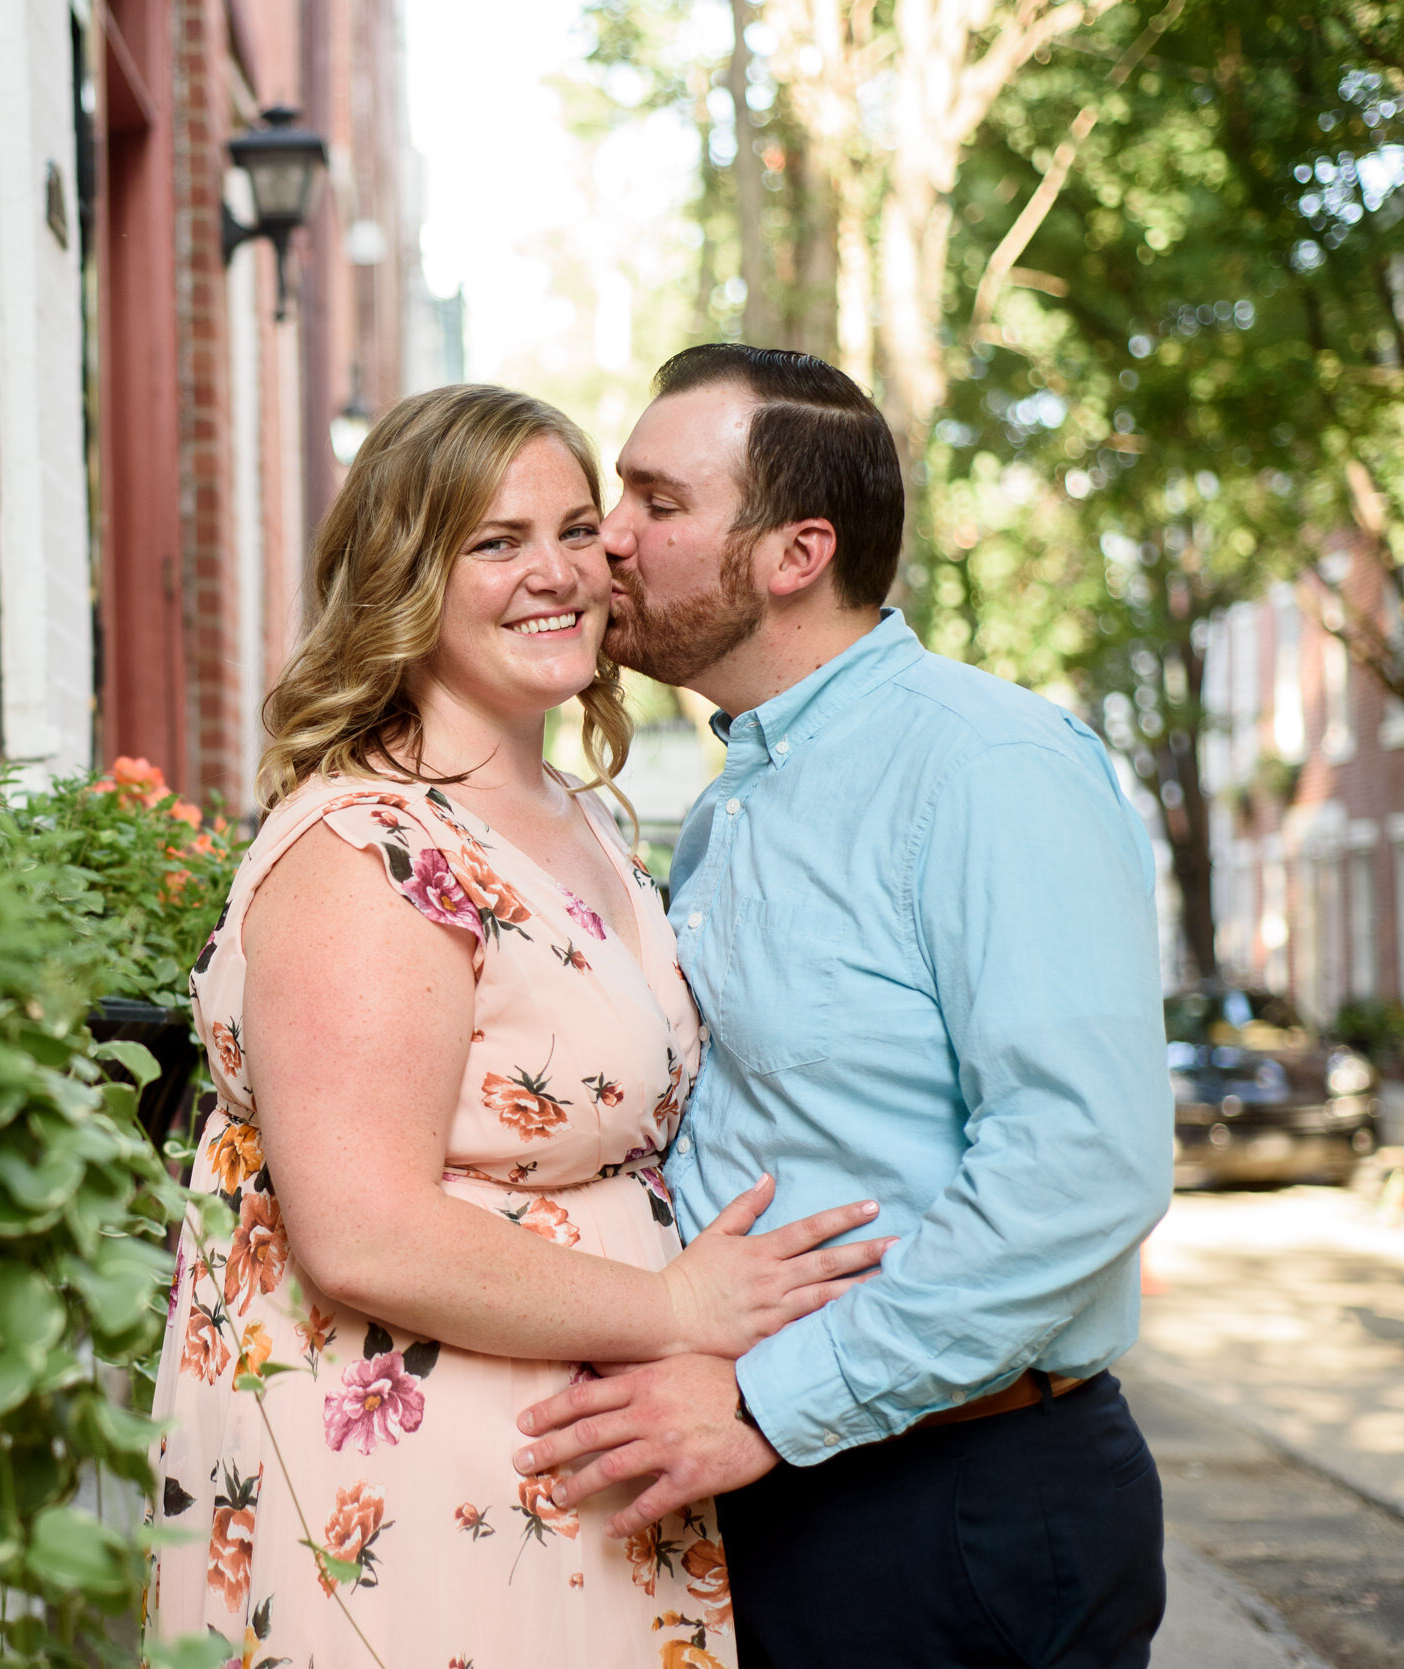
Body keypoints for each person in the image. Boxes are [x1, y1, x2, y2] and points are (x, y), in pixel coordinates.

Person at [143, 383, 888, 1668]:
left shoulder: (582, 813)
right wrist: (673, 1308)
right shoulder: (368, 847)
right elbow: (362, 1232)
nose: (556, 573)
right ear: (401, 575)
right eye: (493, 542)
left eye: (576, 529)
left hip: (578, 1464)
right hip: (419, 1482)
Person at [510, 345, 1175, 1668]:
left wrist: (770, 1399)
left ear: (794, 552)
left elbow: (1083, 1167)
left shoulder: (986, 767)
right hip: (780, 1493)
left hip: (957, 1507)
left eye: (656, 502)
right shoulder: (729, 810)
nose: (609, 543)